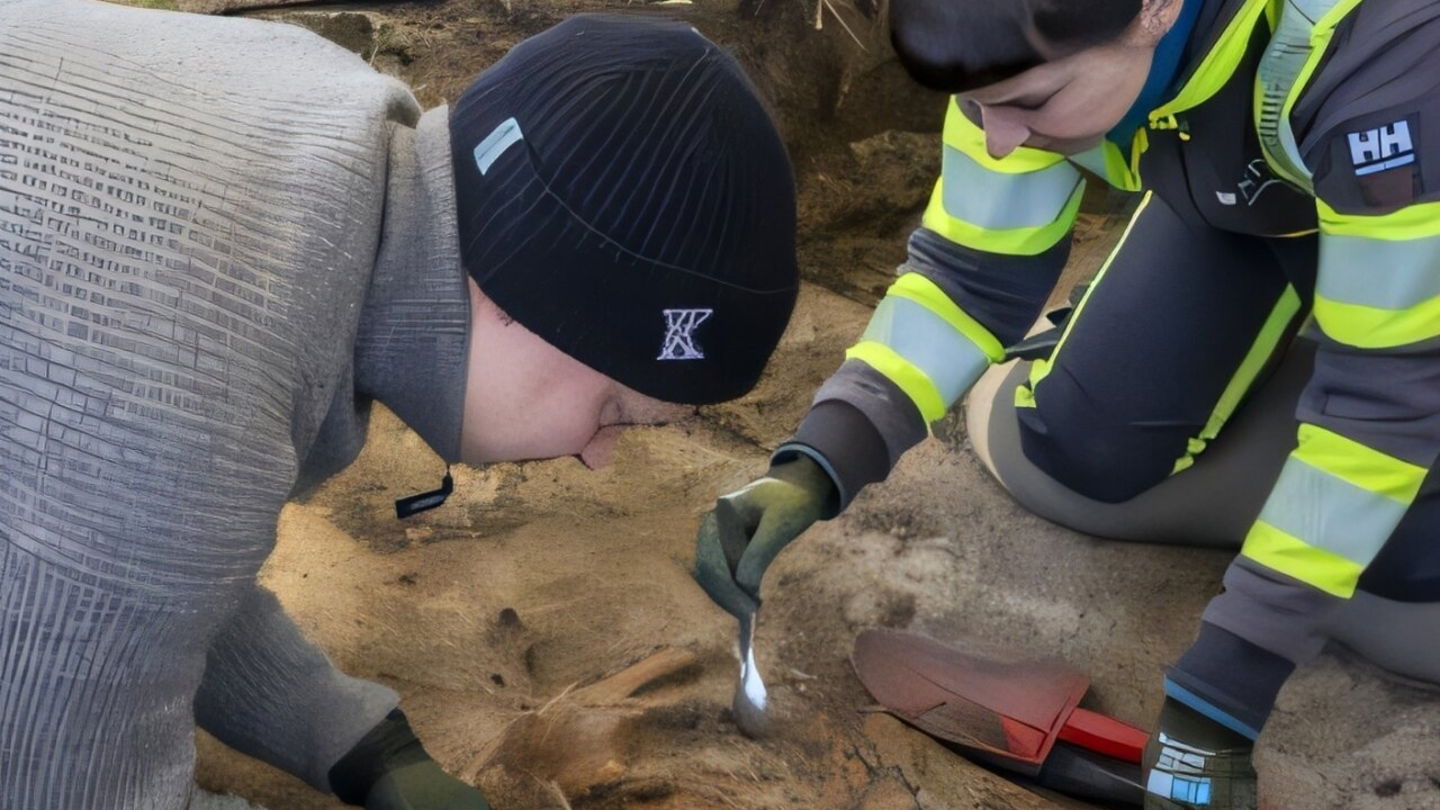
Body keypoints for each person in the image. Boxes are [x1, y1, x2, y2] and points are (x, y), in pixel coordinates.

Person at [0, 3, 799, 809]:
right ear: (532, 299)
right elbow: (61, 782)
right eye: (616, 411)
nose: (599, 455)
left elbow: (134, 585)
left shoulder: (317, 127)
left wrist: (362, 746)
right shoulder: (196, 365)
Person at [694, 0, 1440, 807]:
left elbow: (1383, 405)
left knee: (1413, 587)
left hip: (1393, 192)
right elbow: (967, 275)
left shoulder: (1390, 66)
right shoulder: (1015, 37)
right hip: (1246, 191)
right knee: (1067, 453)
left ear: (1156, 9)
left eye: (1030, 103)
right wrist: (823, 457)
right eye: (977, 104)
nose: (997, 139)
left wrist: (1223, 697)